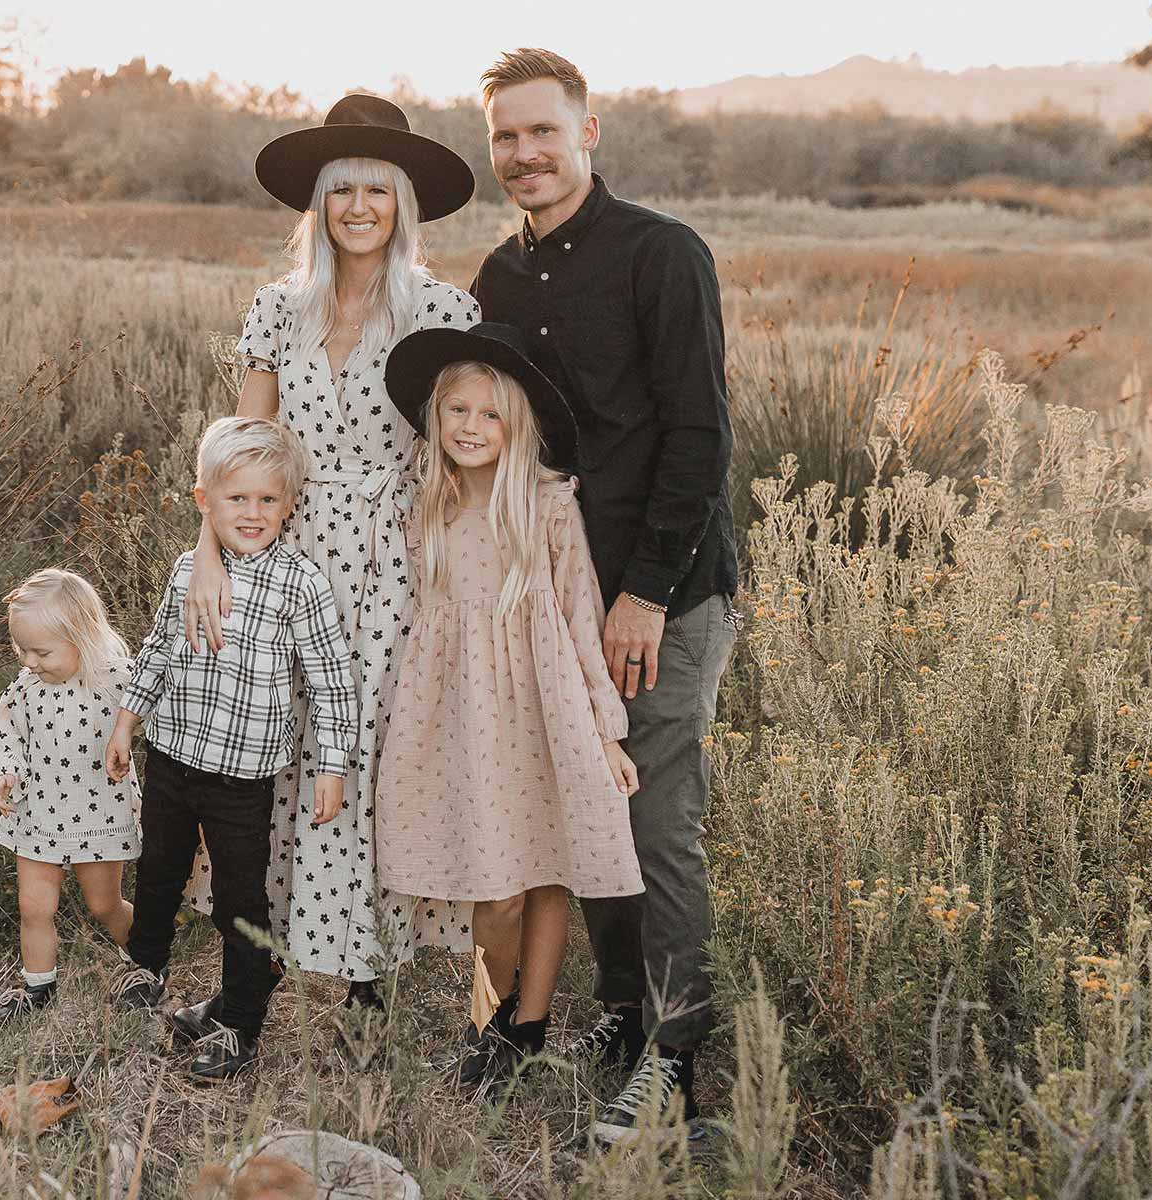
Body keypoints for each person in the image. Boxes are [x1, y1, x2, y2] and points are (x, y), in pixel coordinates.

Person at [468, 48, 738, 1144]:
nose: (523, 154)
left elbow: (699, 436)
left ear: (589, 132)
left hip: (660, 590)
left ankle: (675, 1061)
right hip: (559, 600)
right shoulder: (496, 278)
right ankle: (622, 1018)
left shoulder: (661, 255)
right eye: (505, 138)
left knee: (656, 817)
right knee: (590, 807)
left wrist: (644, 596)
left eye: (543, 131)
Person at [182, 93, 483, 1010]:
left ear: (402, 203)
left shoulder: (443, 308)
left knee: (368, 746)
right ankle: (260, 960)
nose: (358, 206)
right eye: (340, 189)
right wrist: (207, 552)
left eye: (376, 190)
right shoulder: (278, 308)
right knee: (274, 746)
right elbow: (245, 446)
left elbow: (469, 449)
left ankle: (365, 975)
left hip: (397, 558)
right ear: (318, 204)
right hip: (289, 549)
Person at [371, 322, 643, 1096]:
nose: (471, 428)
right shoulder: (427, 500)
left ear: (517, 426)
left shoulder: (549, 505)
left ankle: (526, 1028)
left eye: (490, 415)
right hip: (461, 711)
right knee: (495, 884)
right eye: (457, 411)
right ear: (436, 417)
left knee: (545, 866)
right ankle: (485, 1018)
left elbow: (583, 619)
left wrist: (606, 732)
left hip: (543, 706)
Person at [104, 416, 360, 1082]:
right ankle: (144, 973)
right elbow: (159, 649)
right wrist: (127, 721)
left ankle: (241, 1023)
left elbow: (332, 681)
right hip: (173, 760)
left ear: (288, 505)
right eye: (237, 498)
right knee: (157, 874)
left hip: (242, 782)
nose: (252, 513)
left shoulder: (300, 582)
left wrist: (332, 765)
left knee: (242, 904)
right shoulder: (190, 570)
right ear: (204, 502)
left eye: (267, 500)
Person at [0, 569, 141, 1022]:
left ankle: (148, 967)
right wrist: (6, 769)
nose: (28, 661)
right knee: (33, 906)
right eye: (20, 649)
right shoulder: (27, 687)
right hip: (38, 813)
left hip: (99, 811)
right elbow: (1, 729)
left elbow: (154, 713)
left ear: (83, 637)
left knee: (103, 904)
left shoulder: (116, 679)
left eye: (41, 651)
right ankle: (38, 988)